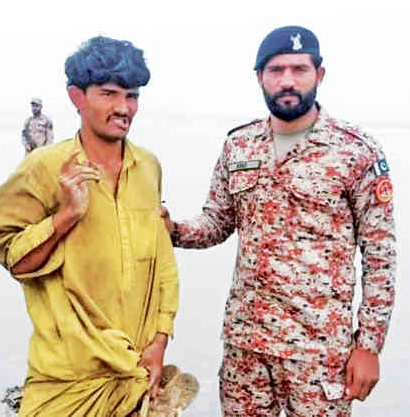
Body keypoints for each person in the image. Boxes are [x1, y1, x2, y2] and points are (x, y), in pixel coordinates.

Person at [162, 26, 396, 416]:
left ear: (319, 74)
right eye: (276, 70)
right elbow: (217, 222)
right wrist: (171, 230)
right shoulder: (239, 145)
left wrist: (369, 346)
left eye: (299, 69)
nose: (287, 80)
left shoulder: (355, 151)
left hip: (319, 353)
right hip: (245, 349)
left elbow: (380, 257)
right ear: (260, 77)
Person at [0, 36, 197, 416]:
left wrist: (161, 340)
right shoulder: (44, 167)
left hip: (137, 371)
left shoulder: (148, 167)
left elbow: (163, 263)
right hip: (66, 375)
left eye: (132, 96)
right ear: (76, 97)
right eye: (109, 94)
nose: (123, 108)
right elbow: (14, 259)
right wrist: (66, 215)